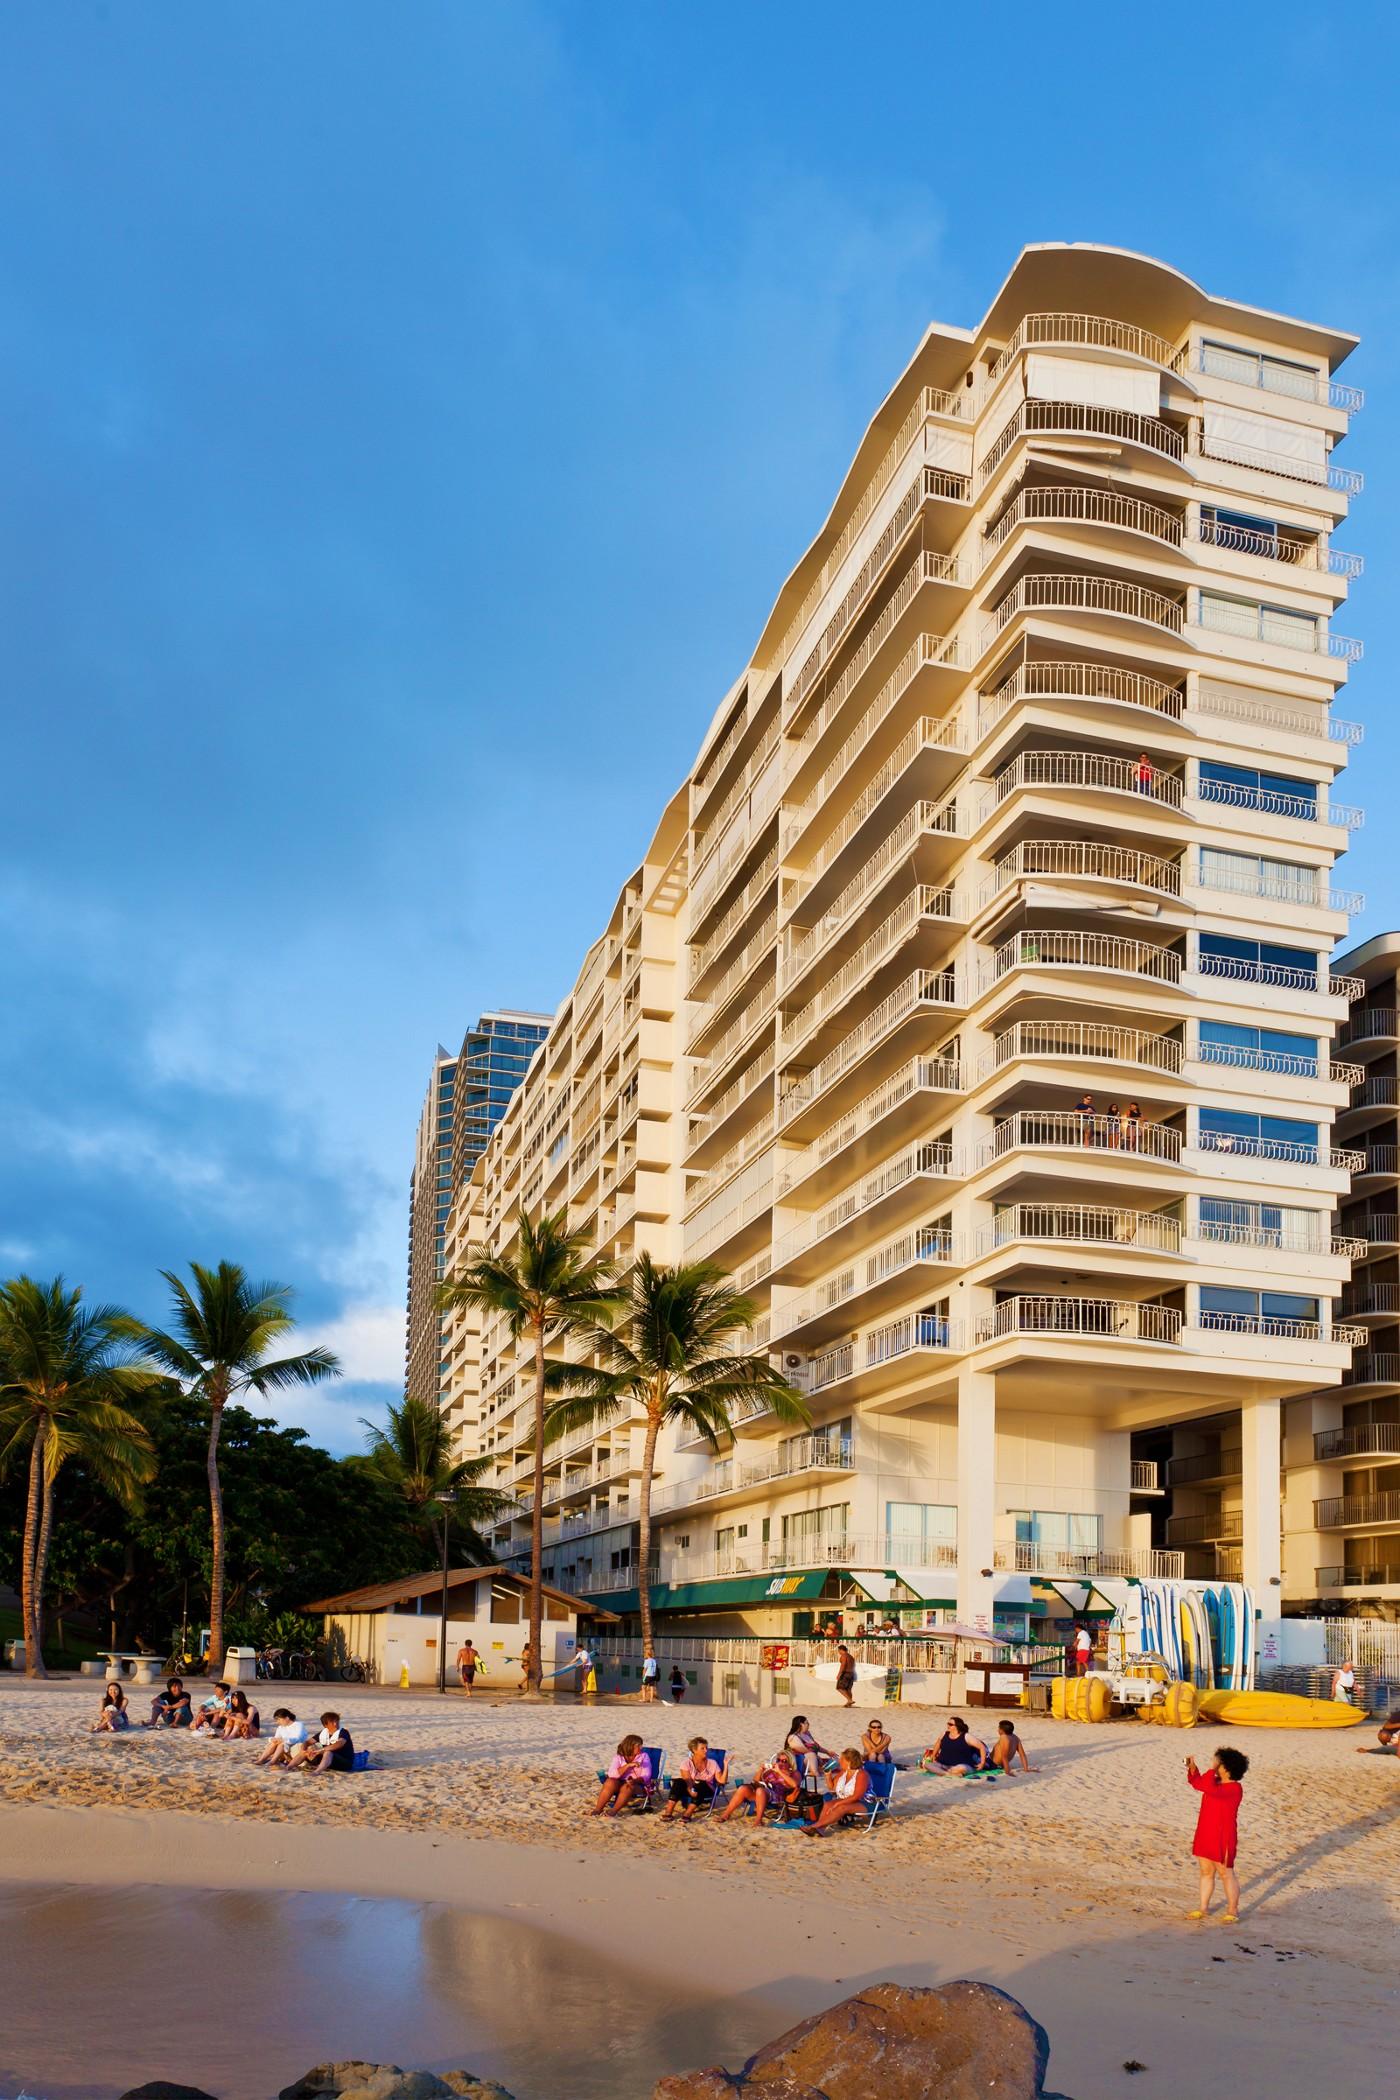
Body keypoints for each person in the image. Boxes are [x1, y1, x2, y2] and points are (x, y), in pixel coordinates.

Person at [1187, 1746, 1248, 1923]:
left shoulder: (1234, 1788)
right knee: (1205, 1871)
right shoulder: (1215, 1783)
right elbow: (1198, 1784)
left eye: (1217, 1762)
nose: (1214, 1765)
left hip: (1223, 1836)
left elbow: (1208, 1787)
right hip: (1205, 1833)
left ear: (1226, 1766)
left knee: (1225, 1873)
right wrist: (1192, 1769)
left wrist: (1211, 1770)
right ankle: (1203, 1907)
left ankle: (1233, 1910)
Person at [717, 1750, 801, 1828]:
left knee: (760, 1790)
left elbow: (794, 1784)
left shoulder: (794, 1773)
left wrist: (780, 1772)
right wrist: (761, 1770)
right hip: (763, 1793)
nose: (780, 1763)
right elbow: (755, 1781)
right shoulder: (771, 1771)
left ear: (790, 1763)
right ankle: (726, 1815)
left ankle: (758, 1820)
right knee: (743, 1788)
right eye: (778, 1760)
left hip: (780, 1796)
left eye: (784, 1761)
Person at [800, 1748, 871, 1836]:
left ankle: (815, 1826)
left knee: (841, 1807)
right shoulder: (843, 1772)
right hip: (847, 1801)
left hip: (863, 1803)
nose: (839, 1761)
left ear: (849, 1762)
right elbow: (832, 1788)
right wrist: (828, 1776)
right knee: (828, 1805)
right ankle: (821, 1828)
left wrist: (838, 1804)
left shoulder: (861, 1774)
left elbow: (857, 1796)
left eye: (842, 1759)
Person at [662, 1737, 726, 1821]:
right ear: (694, 1750)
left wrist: (726, 1765)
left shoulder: (713, 1763)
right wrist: (691, 1790)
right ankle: (668, 1811)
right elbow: (687, 1780)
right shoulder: (686, 1763)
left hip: (705, 1790)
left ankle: (688, 1813)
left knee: (701, 1784)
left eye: (706, 1748)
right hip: (691, 1789)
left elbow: (722, 1781)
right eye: (702, 1748)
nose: (706, 1750)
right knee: (679, 1782)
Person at [785, 1715, 835, 1814]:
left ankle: (826, 1774)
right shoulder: (793, 1737)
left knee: (836, 1760)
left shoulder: (807, 1734)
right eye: (807, 1723)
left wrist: (827, 1752)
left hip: (812, 1759)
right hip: (800, 1760)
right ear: (801, 1724)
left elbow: (817, 1746)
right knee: (811, 1754)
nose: (808, 1724)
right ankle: (816, 1774)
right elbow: (803, 1750)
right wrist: (817, 1757)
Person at [592, 1734, 653, 1815]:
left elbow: (647, 1774)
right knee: (610, 1782)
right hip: (619, 1782)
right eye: (638, 1746)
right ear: (630, 1746)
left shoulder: (644, 1756)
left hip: (638, 1784)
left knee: (628, 1786)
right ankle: (598, 1809)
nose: (641, 1748)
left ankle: (613, 1811)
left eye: (641, 1745)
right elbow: (612, 1774)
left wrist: (634, 1781)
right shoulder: (618, 1757)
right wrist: (627, 1766)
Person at [835, 1643, 857, 1709]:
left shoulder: (844, 1656)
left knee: (839, 1688)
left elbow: (843, 1665)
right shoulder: (851, 1657)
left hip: (845, 1673)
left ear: (841, 1650)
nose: (838, 1652)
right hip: (851, 1674)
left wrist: (839, 1674)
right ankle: (849, 1704)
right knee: (848, 1689)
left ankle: (850, 1700)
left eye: (838, 1651)